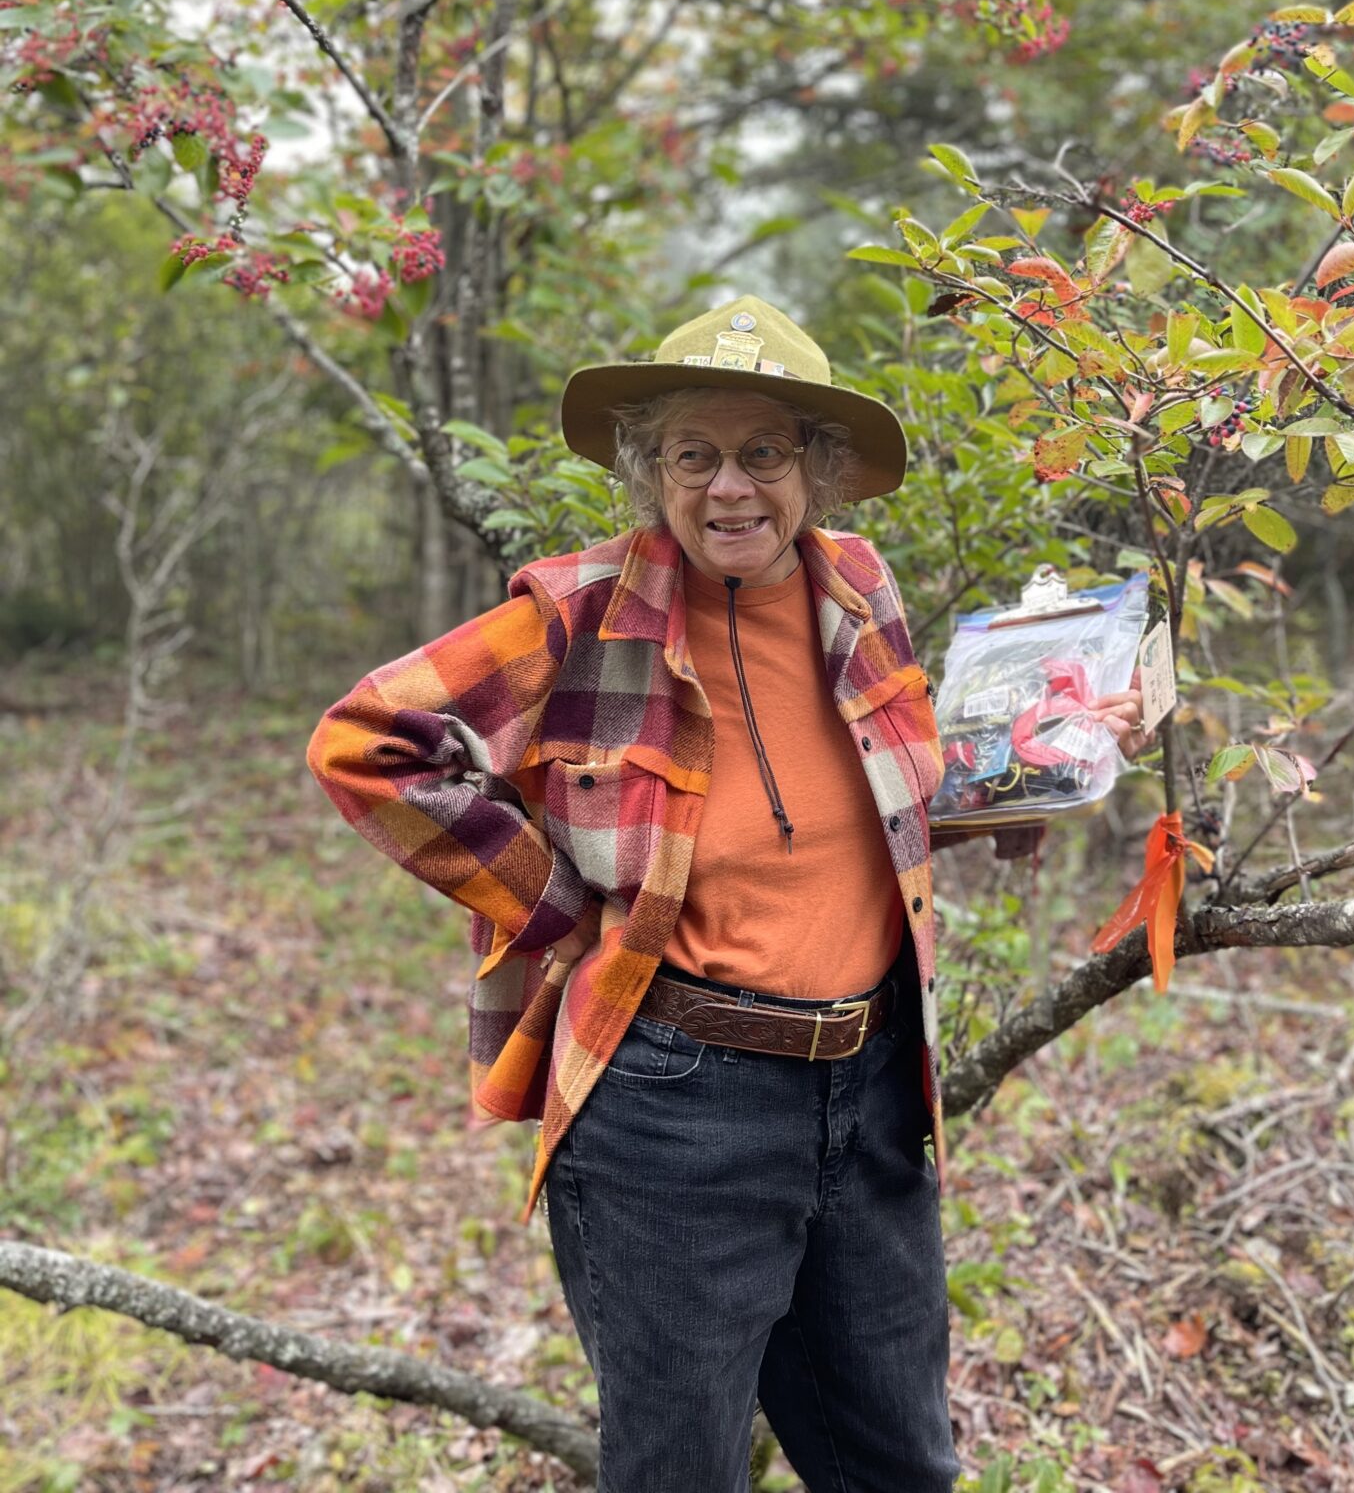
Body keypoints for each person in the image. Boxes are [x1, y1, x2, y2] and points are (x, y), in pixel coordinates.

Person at [306, 294, 1152, 1493]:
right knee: (680, 1472)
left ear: (816, 470)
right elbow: (363, 741)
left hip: (868, 1093)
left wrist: (1056, 750)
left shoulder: (859, 587)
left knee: (900, 1463)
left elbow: (885, 796)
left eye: (763, 451)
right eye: (693, 454)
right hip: (673, 1109)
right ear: (652, 473)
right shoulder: (579, 611)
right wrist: (557, 902)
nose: (729, 487)